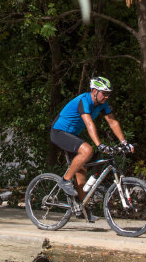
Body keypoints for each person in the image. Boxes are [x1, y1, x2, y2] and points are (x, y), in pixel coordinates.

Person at [50, 76, 134, 221]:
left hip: (72, 135)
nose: (106, 96)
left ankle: (82, 209)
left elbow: (113, 122)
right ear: (94, 91)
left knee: (82, 171)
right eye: (104, 93)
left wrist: (124, 142)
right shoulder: (84, 101)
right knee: (88, 150)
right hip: (59, 132)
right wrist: (99, 144)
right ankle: (65, 180)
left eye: (108, 94)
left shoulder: (103, 103)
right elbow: (89, 123)